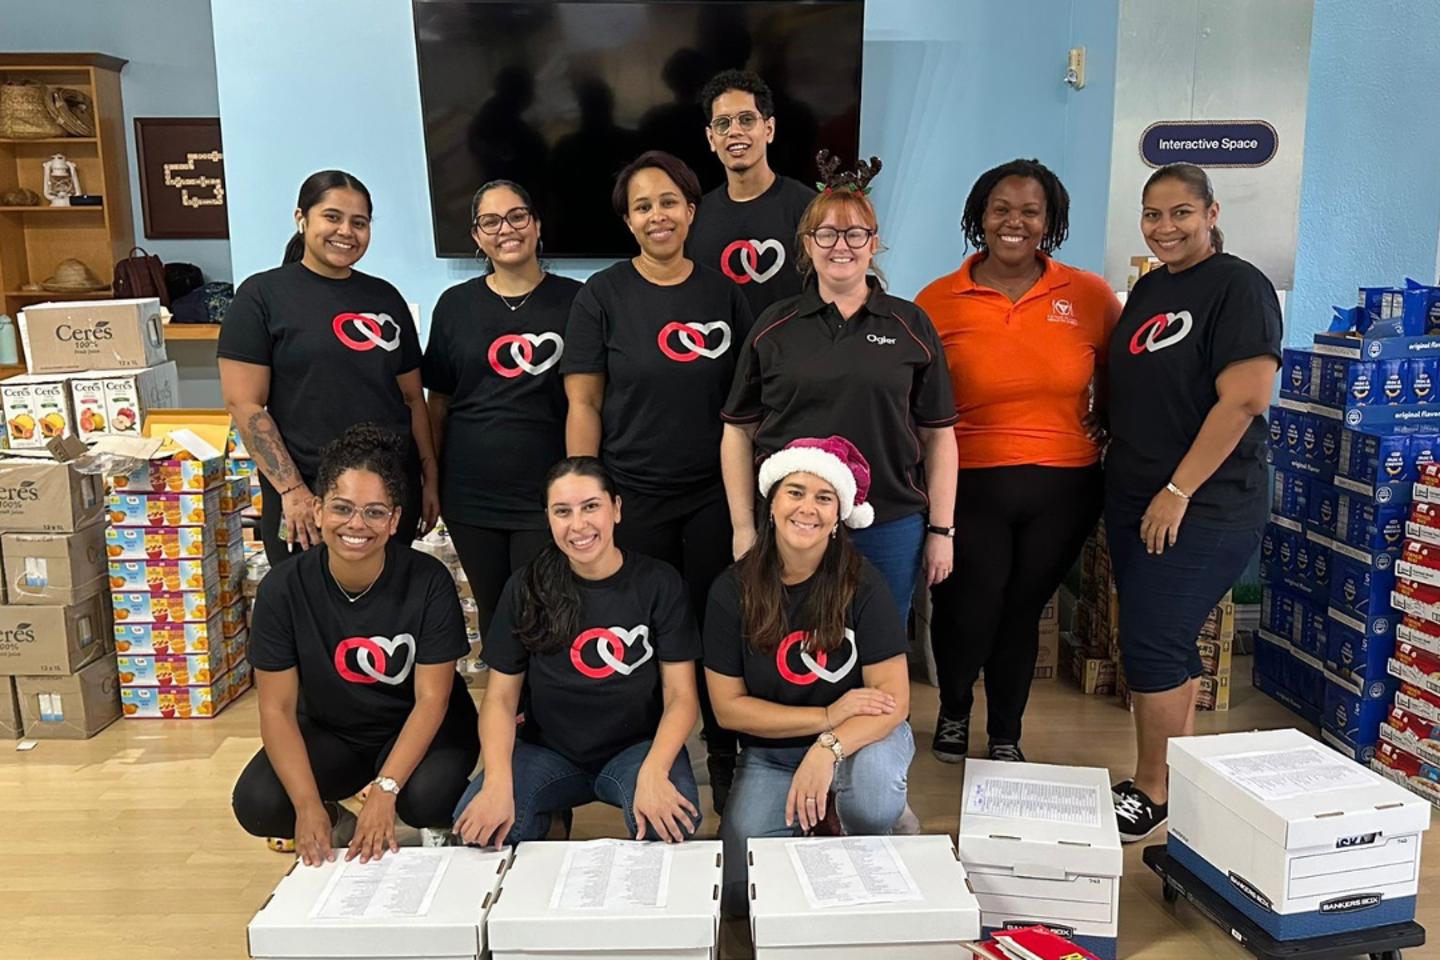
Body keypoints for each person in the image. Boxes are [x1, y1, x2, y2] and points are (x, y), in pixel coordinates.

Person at [562, 150, 753, 812]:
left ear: (691, 210)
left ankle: (726, 757)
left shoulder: (725, 294)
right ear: (628, 220)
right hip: (632, 497)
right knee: (644, 633)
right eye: (642, 206)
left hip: (711, 496)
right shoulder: (603, 296)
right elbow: (583, 404)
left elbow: (746, 405)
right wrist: (589, 500)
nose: (657, 215)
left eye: (669, 201)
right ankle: (651, 756)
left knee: (714, 629)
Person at [916, 159, 1122, 764]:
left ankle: (1006, 732)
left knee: (1021, 610)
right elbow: (917, 398)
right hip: (969, 481)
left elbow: (1114, 372)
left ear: (1050, 221)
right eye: (1001, 209)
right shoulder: (937, 299)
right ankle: (955, 708)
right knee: (971, 605)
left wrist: (1104, 422)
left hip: (1065, 484)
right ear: (979, 217)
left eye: (1030, 211)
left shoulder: (1087, 294)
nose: (1015, 222)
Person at [1104, 163, 1280, 842]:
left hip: (1203, 503)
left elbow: (1244, 399)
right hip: (1135, 494)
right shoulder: (1150, 288)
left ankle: (1153, 787)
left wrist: (1179, 490)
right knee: (1160, 640)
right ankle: (1175, 774)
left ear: (1211, 212)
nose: (1165, 227)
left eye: (1180, 213)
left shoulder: (1240, 287)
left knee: (1153, 641)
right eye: (1152, 214)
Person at [720, 155, 958, 629]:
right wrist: (744, 526)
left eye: (855, 234)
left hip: (889, 523)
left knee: (879, 650)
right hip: (792, 522)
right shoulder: (774, 326)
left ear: (874, 244)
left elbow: (939, 437)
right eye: (826, 234)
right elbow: (737, 432)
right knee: (794, 650)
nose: (840, 246)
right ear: (808, 246)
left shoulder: (910, 325)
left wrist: (941, 530)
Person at [232, 424, 479, 865]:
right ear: (318, 510)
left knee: (427, 796)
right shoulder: (284, 589)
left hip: (418, 725)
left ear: (395, 520)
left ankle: (437, 828)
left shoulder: (428, 581)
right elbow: (276, 709)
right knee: (260, 802)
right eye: (342, 508)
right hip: (334, 730)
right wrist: (308, 806)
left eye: (374, 512)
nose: (356, 525)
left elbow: (431, 699)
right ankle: (336, 822)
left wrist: (384, 791)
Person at [704, 437, 915, 916]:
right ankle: (817, 816)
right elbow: (728, 707)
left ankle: (872, 818)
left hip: (861, 740)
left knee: (873, 800)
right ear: (772, 504)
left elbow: (894, 700)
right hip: (772, 754)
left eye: (824, 498)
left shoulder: (864, 582)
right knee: (737, 892)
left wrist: (829, 745)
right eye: (795, 492)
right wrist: (825, 715)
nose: (808, 508)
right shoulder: (730, 590)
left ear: (839, 516)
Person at [452, 457, 703, 847]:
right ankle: (544, 831)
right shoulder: (528, 586)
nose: (579, 525)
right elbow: (500, 697)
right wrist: (498, 782)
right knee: (480, 832)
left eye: (591, 507)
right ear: (549, 519)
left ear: (616, 509)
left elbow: (682, 696)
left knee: (671, 823)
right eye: (562, 512)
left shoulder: (659, 583)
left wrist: (654, 771)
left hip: (635, 750)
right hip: (548, 753)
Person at [219, 170, 437, 567]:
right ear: (301, 218)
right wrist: (293, 492)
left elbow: (411, 398)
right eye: (332, 217)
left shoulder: (385, 297)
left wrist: (428, 477)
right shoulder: (262, 296)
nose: (346, 231)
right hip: (308, 500)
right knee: (309, 617)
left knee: (384, 618)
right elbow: (244, 405)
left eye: (360, 222)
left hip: (388, 497)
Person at [423, 180, 581, 637]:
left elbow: (590, 401)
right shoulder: (455, 305)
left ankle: (546, 707)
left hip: (548, 492)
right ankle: (507, 709)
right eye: (490, 222)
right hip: (471, 495)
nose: (505, 229)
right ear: (476, 237)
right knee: (495, 614)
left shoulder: (577, 300)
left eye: (516, 216)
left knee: (546, 611)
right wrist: (429, 478)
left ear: (535, 225)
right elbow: (439, 403)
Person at [688, 69, 815, 318]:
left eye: (746, 119)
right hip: (720, 353)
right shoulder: (695, 217)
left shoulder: (810, 208)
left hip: (794, 354)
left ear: (769, 129)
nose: (735, 131)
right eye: (723, 123)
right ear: (711, 138)